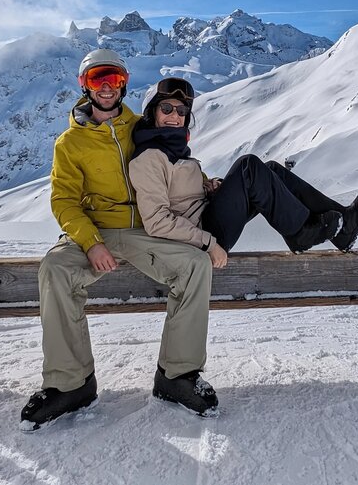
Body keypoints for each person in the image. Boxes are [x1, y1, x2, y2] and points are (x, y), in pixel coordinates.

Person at [20, 50, 218, 429]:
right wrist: (91, 242)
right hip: (97, 230)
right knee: (55, 269)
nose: (106, 86)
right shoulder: (70, 143)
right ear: (85, 85)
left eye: (112, 77)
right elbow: (64, 200)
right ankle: (71, 383)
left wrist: (205, 182)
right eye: (97, 79)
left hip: (146, 229)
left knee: (194, 265)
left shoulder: (139, 126)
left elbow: (174, 160)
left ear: (124, 82)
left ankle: (176, 376)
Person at [128, 77, 358, 266]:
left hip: (207, 219)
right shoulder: (149, 158)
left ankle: (344, 228)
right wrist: (210, 245)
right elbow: (158, 222)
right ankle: (299, 234)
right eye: (167, 108)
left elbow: (180, 193)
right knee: (248, 167)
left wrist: (208, 188)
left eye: (181, 111)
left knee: (273, 170)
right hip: (200, 238)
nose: (175, 116)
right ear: (152, 113)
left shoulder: (172, 149)